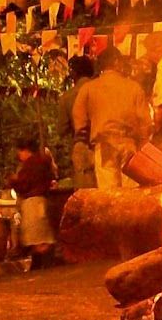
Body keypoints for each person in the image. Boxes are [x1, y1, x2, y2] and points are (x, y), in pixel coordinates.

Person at [71, 47, 149, 189]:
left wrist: (82, 142)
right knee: (131, 192)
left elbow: (79, 119)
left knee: (109, 192)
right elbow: (145, 122)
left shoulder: (89, 88)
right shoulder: (134, 87)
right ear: (117, 62)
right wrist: (143, 145)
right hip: (129, 145)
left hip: (104, 145)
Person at [8, 137, 57, 269]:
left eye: (20, 151)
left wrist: (13, 181)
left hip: (33, 201)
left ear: (26, 150)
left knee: (38, 237)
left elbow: (24, 185)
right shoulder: (43, 162)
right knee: (40, 236)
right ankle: (40, 263)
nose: (19, 155)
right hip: (41, 200)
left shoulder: (31, 165)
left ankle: (43, 263)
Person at [59, 55, 98, 189]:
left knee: (85, 196)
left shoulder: (67, 97)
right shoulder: (103, 89)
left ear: (74, 73)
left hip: (82, 146)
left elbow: (62, 129)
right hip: (105, 145)